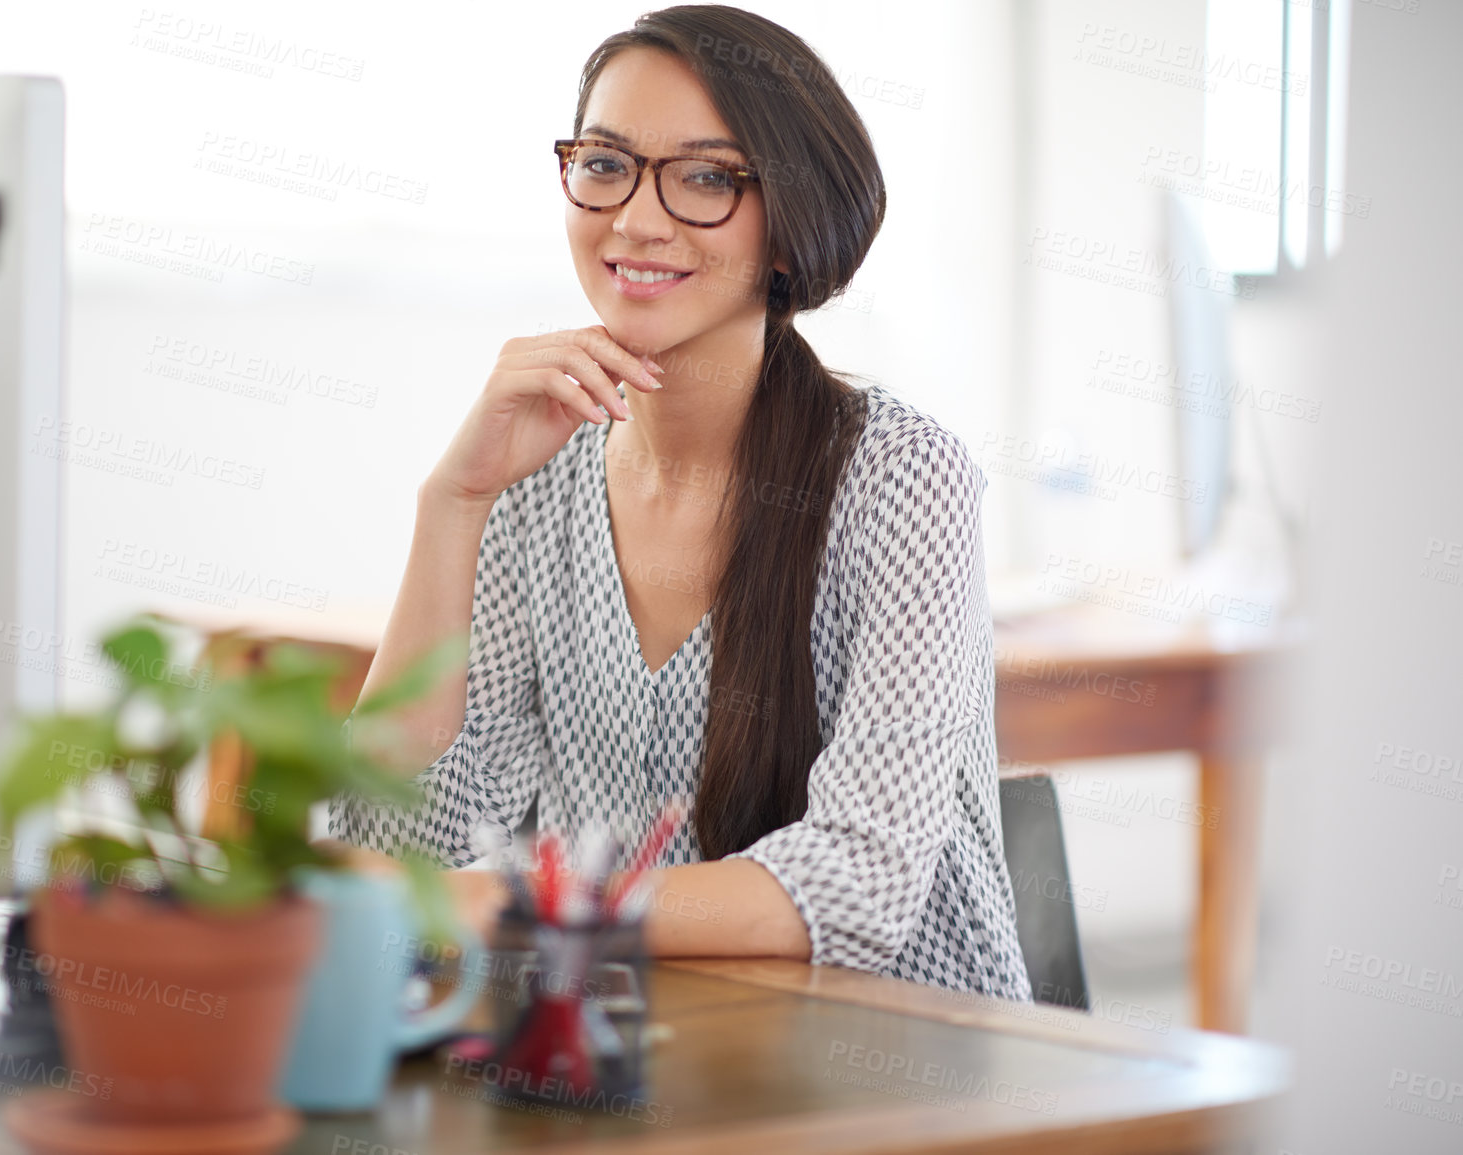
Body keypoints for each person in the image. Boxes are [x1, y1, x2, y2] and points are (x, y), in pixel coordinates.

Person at [329, 4, 1031, 1000]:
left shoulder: (904, 479)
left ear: (791, 230)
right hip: (643, 1066)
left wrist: (505, 900)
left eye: (705, 178)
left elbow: (855, 887)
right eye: (606, 165)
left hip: (906, 1083)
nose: (637, 218)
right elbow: (392, 846)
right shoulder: (534, 480)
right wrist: (454, 502)